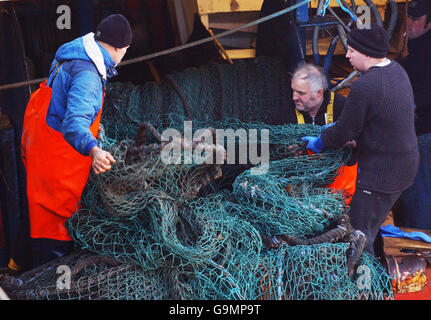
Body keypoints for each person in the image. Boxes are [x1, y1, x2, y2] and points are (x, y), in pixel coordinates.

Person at [21, 14, 132, 267]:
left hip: (42, 155)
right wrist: (93, 150)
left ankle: (30, 267)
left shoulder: (72, 55)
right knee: (55, 240)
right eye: (125, 50)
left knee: (40, 224)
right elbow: (73, 124)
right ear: (118, 48)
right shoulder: (89, 76)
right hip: (59, 168)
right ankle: (46, 284)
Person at [302, 23, 420, 257]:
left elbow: (344, 131)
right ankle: (376, 272)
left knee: (358, 235)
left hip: (382, 174)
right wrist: (360, 139)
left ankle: (363, 286)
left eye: (351, 50)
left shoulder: (365, 86)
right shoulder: (396, 70)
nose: (347, 55)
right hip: (405, 166)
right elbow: (385, 121)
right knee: (370, 229)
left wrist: (320, 140)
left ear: (366, 53)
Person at [394, 0, 431, 229]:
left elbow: (423, 94)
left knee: (419, 195)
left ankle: (420, 245)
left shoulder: (425, 53)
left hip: (424, 133)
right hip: (414, 133)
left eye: (416, 20)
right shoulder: (411, 47)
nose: (409, 23)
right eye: (408, 17)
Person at [273, 63, 346, 126]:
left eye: (301, 93)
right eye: (293, 90)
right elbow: (265, 132)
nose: (294, 98)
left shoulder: (342, 106)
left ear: (319, 93)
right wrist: (264, 143)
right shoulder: (288, 109)